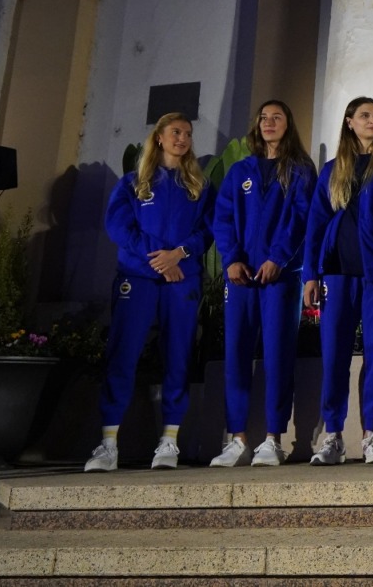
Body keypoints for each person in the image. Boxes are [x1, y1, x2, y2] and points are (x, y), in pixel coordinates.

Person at [85, 113, 213, 472]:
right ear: (159, 137)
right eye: (176, 132)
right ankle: (108, 445)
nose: (183, 139)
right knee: (122, 355)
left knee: (177, 357)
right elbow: (120, 228)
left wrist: (179, 256)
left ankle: (169, 442)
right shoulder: (132, 182)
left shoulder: (199, 186)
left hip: (182, 280)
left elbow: (207, 231)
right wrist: (161, 260)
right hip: (138, 278)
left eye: (188, 133)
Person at [209, 100, 316, 468]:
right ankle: (236, 438)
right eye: (264, 117)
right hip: (241, 278)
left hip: (280, 278)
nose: (269, 123)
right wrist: (232, 259)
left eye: (277, 117)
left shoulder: (300, 170)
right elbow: (222, 219)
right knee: (236, 355)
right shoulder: (240, 171)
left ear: (289, 125)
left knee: (277, 355)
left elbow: (302, 218)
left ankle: (273, 438)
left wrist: (278, 258)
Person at [303, 97, 373, 466]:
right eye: (365, 115)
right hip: (336, 272)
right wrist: (310, 274)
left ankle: (372, 435)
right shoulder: (333, 169)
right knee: (334, 356)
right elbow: (315, 225)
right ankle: (332, 435)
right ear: (349, 122)